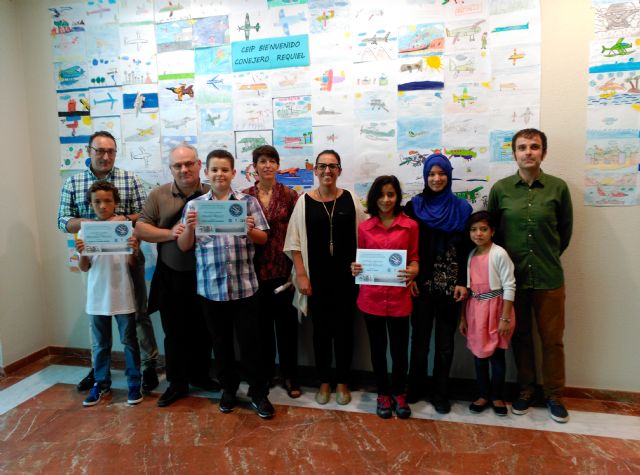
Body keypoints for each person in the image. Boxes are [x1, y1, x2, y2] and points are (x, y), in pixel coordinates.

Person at [57, 131, 159, 393]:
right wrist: (91, 225)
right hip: (91, 259)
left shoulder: (130, 179)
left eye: (110, 151)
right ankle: (98, 369)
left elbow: (144, 214)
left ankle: (147, 365)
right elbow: (63, 220)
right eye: (100, 151)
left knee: (138, 312)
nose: (105, 156)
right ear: (89, 151)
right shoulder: (74, 182)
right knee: (98, 315)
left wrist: (122, 220)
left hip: (128, 256)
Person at [177, 149, 275, 419]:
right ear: (206, 173)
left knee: (251, 344)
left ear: (233, 173)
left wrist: (248, 228)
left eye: (224, 170)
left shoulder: (248, 202)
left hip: (245, 288)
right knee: (220, 345)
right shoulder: (195, 207)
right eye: (214, 170)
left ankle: (258, 393)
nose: (219, 174)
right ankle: (228, 390)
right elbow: (184, 246)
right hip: (211, 289)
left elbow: (263, 239)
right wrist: (190, 228)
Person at [488, 128, 573, 423]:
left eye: (534, 147)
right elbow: (493, 235)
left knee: (552, 340)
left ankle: (554, 395)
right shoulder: (500, 189)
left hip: (549, 278)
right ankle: (525, 390)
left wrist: (546, 256)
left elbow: (564, 233)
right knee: (521, 337)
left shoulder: (558, 188)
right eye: (522, 147)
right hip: (514, 281)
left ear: (543, 153)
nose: (528, 152)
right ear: (514, 153)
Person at [135, 143, 220, 407]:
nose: (184, 169)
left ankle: (201, 376)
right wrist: (170, 233)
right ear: (171, 169)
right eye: (177, 165)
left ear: (199, 165)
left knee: (205, 329)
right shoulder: (158, 195)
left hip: (207, 274)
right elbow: (140, 228)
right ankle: (177, 383)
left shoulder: (212, 193)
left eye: (189, 164)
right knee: (174, 332)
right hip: (171, 275)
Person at [284, 150, 367, 406]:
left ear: (339, 170)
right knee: (320, 332)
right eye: (322, 166)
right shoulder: (303, 201)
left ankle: (342, 381)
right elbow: (294, 243)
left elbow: (365, 236)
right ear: (315, 170)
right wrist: (301, 275)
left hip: (346, 280)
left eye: (332, 166)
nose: (327, 171)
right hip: (316, 279)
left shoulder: (351, 199)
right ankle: (323, 381)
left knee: (345, 331)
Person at [405, 152, 473, 414]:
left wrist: (462, 282)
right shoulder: (414, 207)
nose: (436, 178)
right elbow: (407, 245)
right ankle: (415, 387)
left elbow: (466, 250)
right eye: (431, 174)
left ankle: (440, 393)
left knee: (445, 344)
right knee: (419, 341)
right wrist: (410, 277)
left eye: (442, 173)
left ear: (449, 175)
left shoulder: (462, 209)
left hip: (450, 287)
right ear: (425, 176)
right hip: (421, 285)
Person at [351, 175, 419, 419]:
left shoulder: (410, 226)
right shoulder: (364, 228)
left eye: (391, 194)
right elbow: (361, 260)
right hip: (372, 300)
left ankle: (399, 393)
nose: (386, 199)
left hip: (400, 299)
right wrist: (355, 268)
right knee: (378, 350)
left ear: (397, 196)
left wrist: (414, 269)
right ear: (374, 198)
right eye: (381, 195)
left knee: (400, 351)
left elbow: (415, 257)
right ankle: (382, 394)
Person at [75, 181, 143, 407]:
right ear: (91, 204)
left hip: (122, 293)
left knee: (129, 341)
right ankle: (101, 383)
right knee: (100, 344)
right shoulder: (85, 231)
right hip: (97, 297)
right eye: (97, 202)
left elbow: (132, 264)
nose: (102, 206)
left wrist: (134, 249)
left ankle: (134, 383)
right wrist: (82, 252)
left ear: (115, 203)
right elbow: (85, 267)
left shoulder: (125, 227)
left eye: (107, 201)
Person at [242, 145, 301, 398]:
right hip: (253, 273)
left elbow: (298, 232)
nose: (267, 165)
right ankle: (264, 374)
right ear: (254, 166)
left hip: (283, 271)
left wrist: (297, 269)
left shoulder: (289, 195)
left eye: (272, 161)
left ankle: (290, 376)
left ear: (278, 165)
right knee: (260, 329)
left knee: (287, 328)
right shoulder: (244, 197)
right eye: (262, 161)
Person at [459, 211, 516, 416]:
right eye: (474, 230)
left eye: (483, 229)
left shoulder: (499, 253)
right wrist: (463, 317)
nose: (478, 234)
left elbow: (509, 285)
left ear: (492, 231)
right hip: (475, 310)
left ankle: (497, 396)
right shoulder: (470, 255)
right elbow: (467, 290)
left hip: (497, 310)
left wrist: (505, 318)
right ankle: (483, 394)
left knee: (497, 355)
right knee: (479, 355)